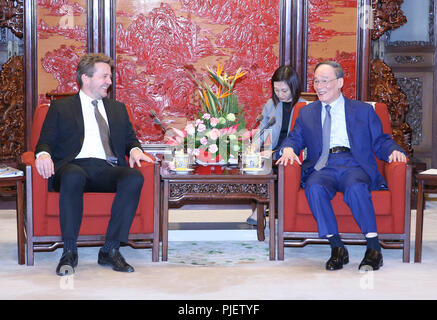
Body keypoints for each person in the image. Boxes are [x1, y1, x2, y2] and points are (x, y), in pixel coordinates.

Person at [276, 61, 406, 271]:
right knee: (314, 187)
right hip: (322, 166)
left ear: (340, 83)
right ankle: (337, 247)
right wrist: (288, 149)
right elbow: (294, 138)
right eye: (316, 81)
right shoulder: (307, 113)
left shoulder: (363, 111)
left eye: (325, 81)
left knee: (356, 187)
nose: (319, 86)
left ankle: (374, 248)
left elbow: (381, 140)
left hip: (352, 164)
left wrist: (394, 150)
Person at [35, 53, 154, 276]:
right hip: (73, 166)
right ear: (85, 78)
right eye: (104, 76)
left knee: (133, 177)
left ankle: (110, 249)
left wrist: (136, 150)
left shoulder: (118, 109)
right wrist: (42, 154)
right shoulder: (61, 107)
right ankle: (69, 251)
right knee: (72, 175)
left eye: (110, 76)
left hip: (106, 168)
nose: (109, 81)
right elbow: (45, 141)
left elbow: (130, 140)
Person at [246, 65, 303, 225]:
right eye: (276, 90)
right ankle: (261, 209)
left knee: (274, 168)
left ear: (294, 86)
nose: (280, 94)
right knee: (258, 165)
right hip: (272, 151)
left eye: (284, 90)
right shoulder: (271, 105)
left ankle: (261, 211)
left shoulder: (304, 107)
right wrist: (254, 147)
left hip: (294, 153)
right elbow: (261, 130)